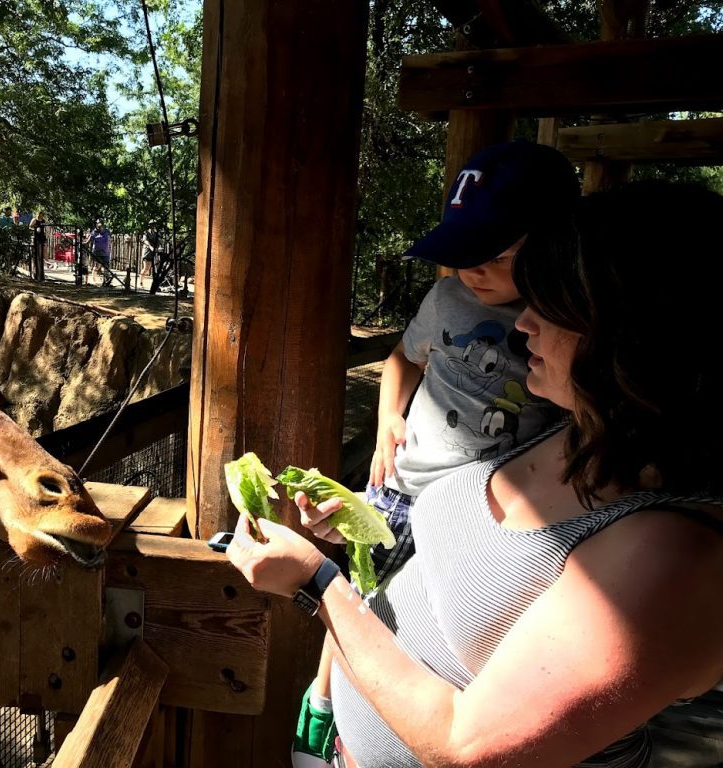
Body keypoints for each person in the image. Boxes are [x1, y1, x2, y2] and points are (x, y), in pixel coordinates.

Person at [228, 180, 723, 768]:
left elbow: (469, 747)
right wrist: (356, 531)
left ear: (638, 337)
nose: (523, 325)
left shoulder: (676, 555)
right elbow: (450, 569)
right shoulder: (574, 429)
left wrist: (316, 582)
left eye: (556, 307)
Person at [293, 140, 576, 767]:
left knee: (428, 611)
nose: (472, 268)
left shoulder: (561, 327)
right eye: (460, 253)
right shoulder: (446, 301)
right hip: (407, 482)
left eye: (495, 255)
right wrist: (387, 420)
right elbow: (401, 358)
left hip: (480, 506)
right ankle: (322, 696)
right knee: (366, 594)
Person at [86, 219, 111, 286]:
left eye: (100, 224)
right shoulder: (94, 232)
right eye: (97, 224)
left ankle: (105, 281)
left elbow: (109, 240)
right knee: (96, 266)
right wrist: (83, 243)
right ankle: (94, 281)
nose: (99, 226)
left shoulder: (107, 231)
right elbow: (88, 241)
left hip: (105, 252)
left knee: (106, 267)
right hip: (97, 252)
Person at [139, 220, 160, 288]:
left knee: (153, 268)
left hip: (154, 252)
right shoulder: (146, 232)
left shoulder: (156, 233)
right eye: (152, 225)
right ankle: (141, 282)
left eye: (154, 224)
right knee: (146, 268)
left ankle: (155, 284)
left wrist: (158, 248)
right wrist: (150, 247)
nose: (153, 226)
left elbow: (157, 242)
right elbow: (145, 241)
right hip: (147, 252)